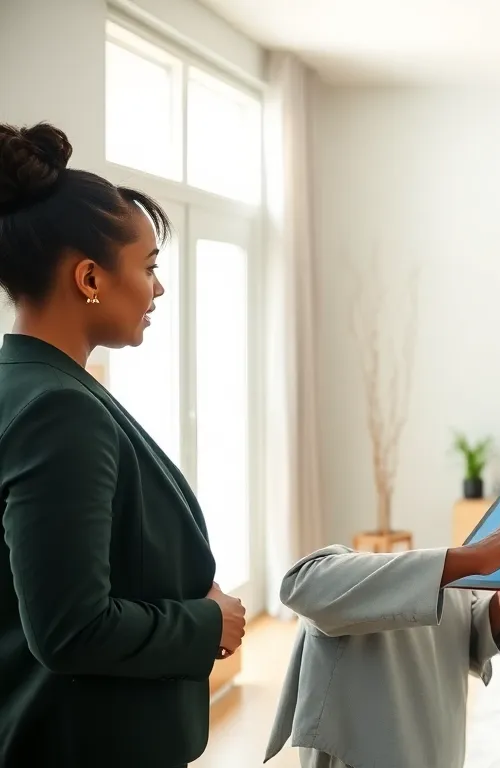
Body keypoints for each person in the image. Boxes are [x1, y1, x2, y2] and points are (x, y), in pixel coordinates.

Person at [0, 122, 248, 767]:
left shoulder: (28, 387)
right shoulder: (58, 410)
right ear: (89, 276)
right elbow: (71, 629)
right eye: (149, 267)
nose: (157, 289)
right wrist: (207, 624)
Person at [263, 514, 500, 768]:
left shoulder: (449, 590)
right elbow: (299, 585)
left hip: (438, 749)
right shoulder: (328, 579)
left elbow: (467, 635)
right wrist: (474, 556)